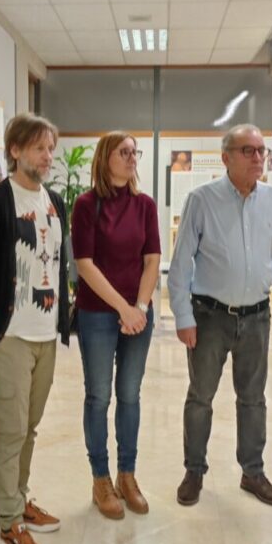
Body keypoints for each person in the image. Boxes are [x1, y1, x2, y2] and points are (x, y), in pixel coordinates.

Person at [167, 124, 272, 507]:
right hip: (210, 317)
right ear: (226, 158)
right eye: (248, 151)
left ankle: (253, 472)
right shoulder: (201, 200)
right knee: (201, 397)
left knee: (253, 399)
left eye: (262, 150)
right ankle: (194, 471)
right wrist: (183, 316)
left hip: (257, 317)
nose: (258, 158)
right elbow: (181, 263)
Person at [0, 113, 70, 544]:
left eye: (50, 148)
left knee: (29, 427)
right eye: (37, 148)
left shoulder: (54, 202)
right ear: (14, 151)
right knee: (9, 430)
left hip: (46, 333)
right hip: (10, 335)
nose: (47, 156)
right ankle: (9, 521)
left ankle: (20, 498)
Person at [71, 132, 160, 519]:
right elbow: (85, 265)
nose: (131, 158)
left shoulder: (145, 206)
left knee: (129, 394)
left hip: (138, 312)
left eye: (134, 152)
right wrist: (122, 308)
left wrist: (138, 307)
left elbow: (152, 259)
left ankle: (127, 474)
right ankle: (100, 478)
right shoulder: (86, 205)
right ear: (106, 157)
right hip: (97, 314)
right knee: (99, 396)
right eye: (124, 152)